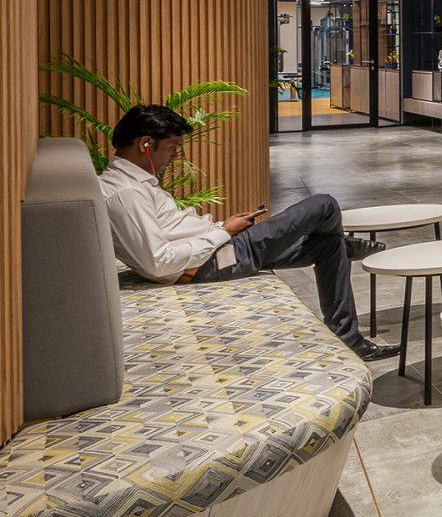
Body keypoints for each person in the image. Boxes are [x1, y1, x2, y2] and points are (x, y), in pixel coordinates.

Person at [98, 104, 400, 362]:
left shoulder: (132, 184)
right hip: (211, 262)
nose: (174, 156)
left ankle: (347, 334)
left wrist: (220, 227)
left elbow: (170, 235)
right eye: (172, 148)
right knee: (324, 205)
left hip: (217, 250)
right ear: (146, 144)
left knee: (326, 248)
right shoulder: (126, 194)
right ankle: (343, 246)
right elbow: (158, 262)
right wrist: (223, 234)